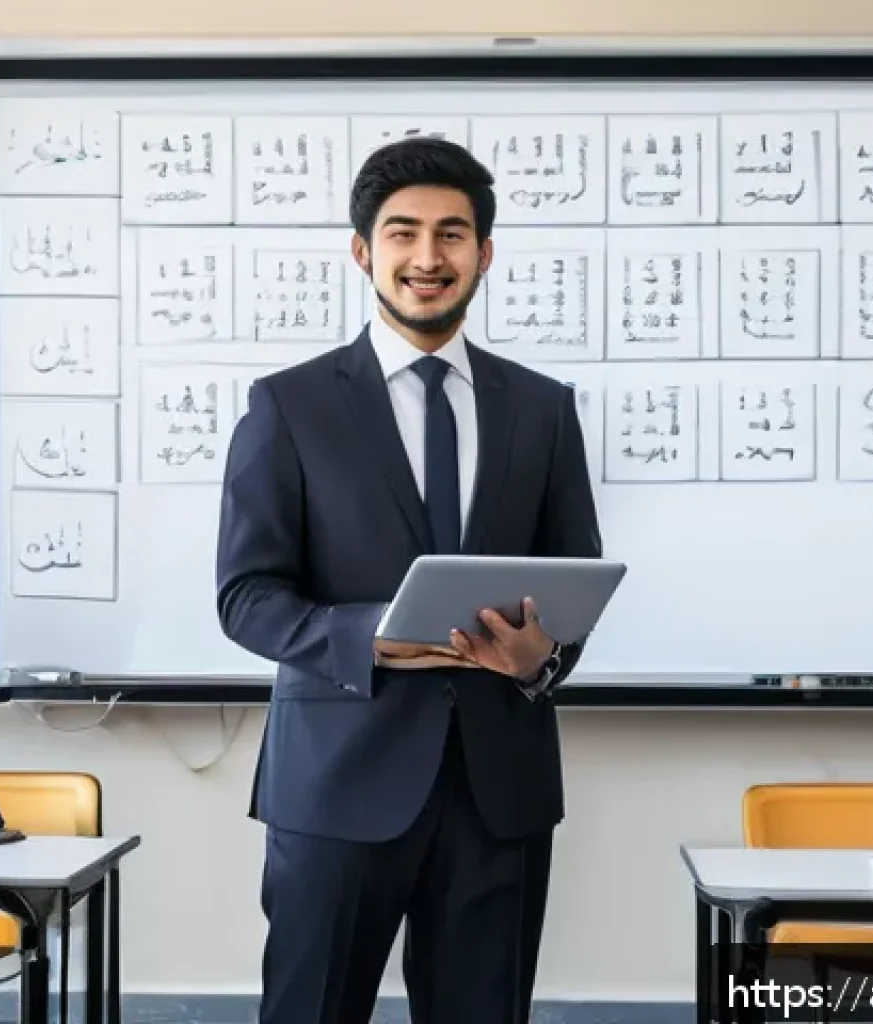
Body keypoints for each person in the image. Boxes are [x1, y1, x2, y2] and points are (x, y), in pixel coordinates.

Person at [216, 137, 602, 1024]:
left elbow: (576, 583)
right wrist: (368, 639)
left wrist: (543, 656)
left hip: (499, 789)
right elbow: (246, 594)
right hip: (338, 778)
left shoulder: (542, 409)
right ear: (364, 251)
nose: (428, 257)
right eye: (403, 233)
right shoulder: (291, 405)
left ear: (484, 253)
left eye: (452, 234)